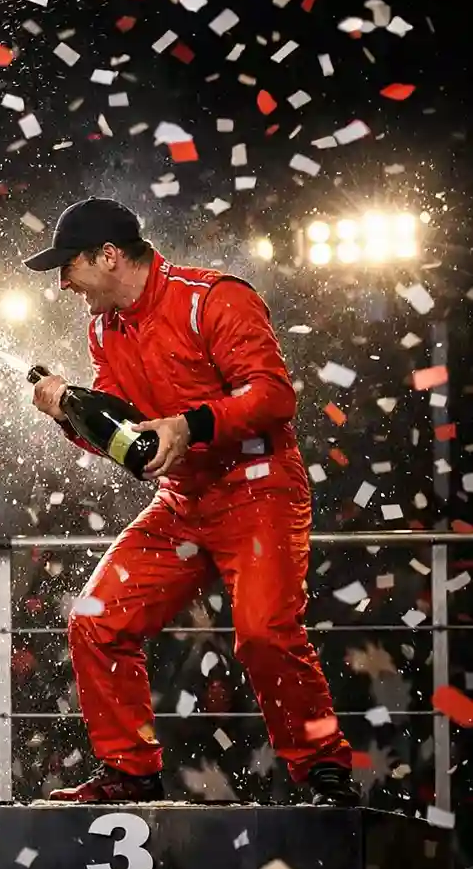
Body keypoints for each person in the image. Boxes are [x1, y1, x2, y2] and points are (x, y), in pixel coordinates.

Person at [26, 197, 360, 805]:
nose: (62, 283)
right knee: (95, 619)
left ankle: (322, 770)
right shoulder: (104, 326)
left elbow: (274, 396)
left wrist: (192, 425)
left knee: (264, 634)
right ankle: (131, 774)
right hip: (182, 503)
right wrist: (70, 418)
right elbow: (129, 441)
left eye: (67, 266)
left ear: (108, 256)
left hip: (259, 491)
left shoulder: (216, 298)